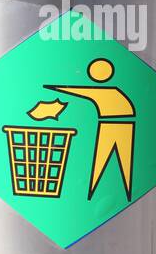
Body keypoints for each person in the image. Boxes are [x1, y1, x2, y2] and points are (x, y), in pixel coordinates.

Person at [46, 58, 136, 201]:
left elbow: (85, 92)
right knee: (105, 163)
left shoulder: (110, 92)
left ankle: (116, 190)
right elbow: (86, 92)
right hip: (114, 125)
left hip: (116, 127)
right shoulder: (115, 93)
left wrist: (56, 88)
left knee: (112, 162)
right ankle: (99, 190)